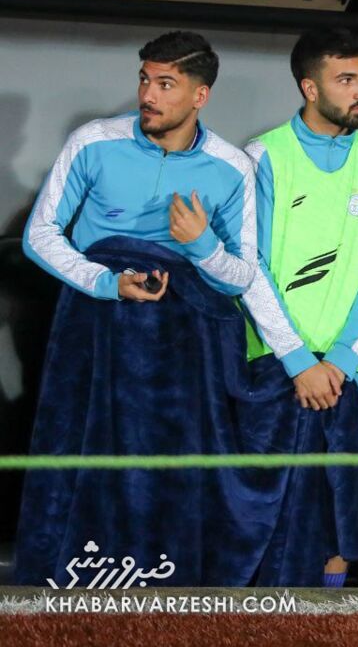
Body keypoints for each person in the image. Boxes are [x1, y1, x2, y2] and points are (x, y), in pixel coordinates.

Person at [16, 31, 263, 587]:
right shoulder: (93, 141)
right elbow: (40, 235)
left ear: (200, 95)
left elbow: (243, 274)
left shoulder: (231, 167)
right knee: (81, 457)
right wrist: (106, 282)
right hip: (94, 330)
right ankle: (71, 585)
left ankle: (161, 585)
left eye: (166, 84)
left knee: (165, 471)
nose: (149, 95)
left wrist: (202, 245)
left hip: (182, 346)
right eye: (145, 80)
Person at [239, 28, 358, 587]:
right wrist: (299, 360)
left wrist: (342, 360)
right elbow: (249, 268)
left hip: (345, 374)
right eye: (345, 80)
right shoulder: (262, 156)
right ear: (309, 87)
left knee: (339, 526)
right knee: (269, 525)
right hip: (273, 369)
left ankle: (325, 623)